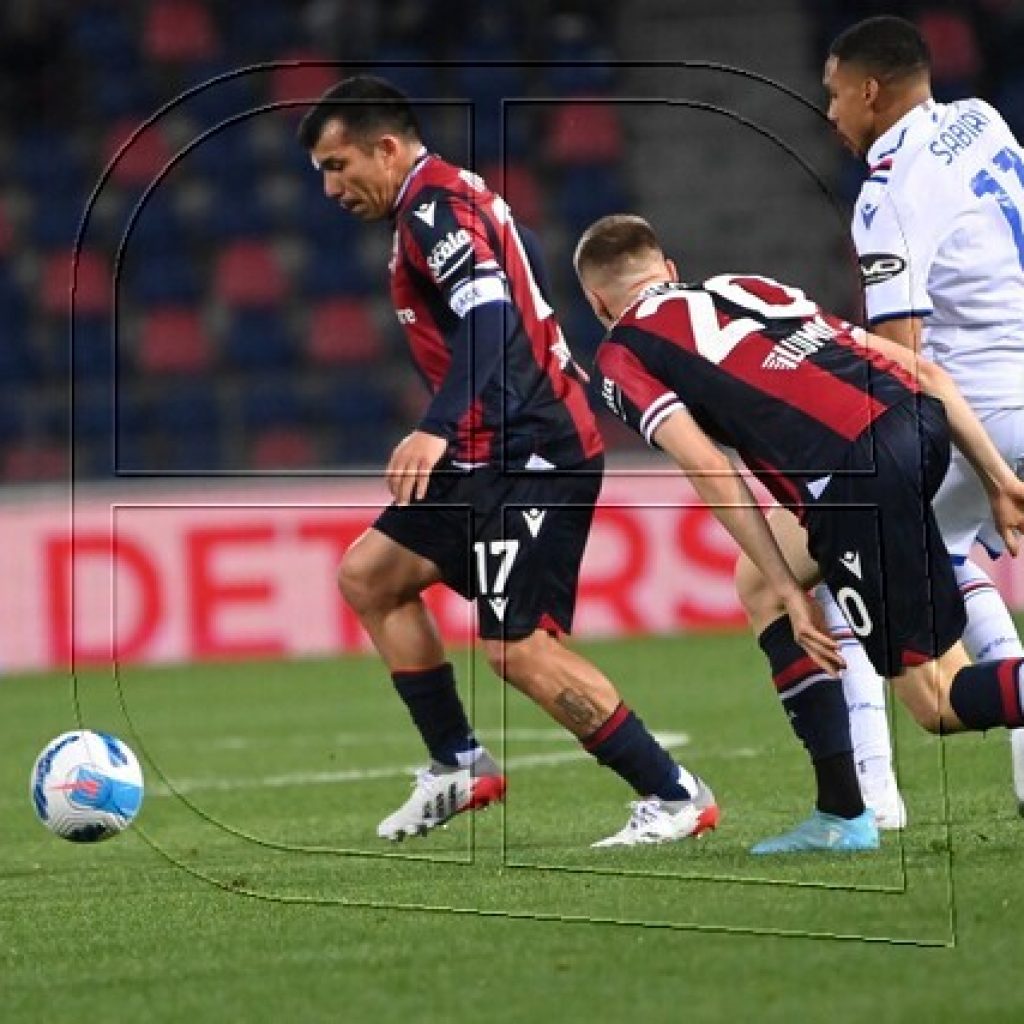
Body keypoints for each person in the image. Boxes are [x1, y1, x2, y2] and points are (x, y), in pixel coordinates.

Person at [297, 76, 718, 848]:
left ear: (386, 147)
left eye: (337, 164)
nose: (330, 187)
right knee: (370, 578)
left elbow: (489, 320)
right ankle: (458, 763)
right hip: (485, 451)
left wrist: (433, 427)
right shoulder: (436, 202)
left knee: (515, 647)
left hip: (531, 451)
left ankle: (675, 793)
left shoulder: (434, 209)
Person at [574, 213, 1024, 853]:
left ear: (598, 303)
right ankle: (842, 809)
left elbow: (710, 469)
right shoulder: (744, 288)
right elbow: (922, 372)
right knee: (754, 581)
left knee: (937, 700)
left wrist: (794, 589)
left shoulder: (621, 355)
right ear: (669, 271)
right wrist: (997, 475)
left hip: (852, 473)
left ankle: (848, 817)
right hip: (920, 423)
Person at [737, 14, 1024, 828]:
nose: (828, 115)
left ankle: (870, 800)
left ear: (869, 92)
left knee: (821, 562)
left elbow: (901, 364)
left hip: (980, 410)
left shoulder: (887, 194)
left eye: (833, 96)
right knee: (944, 550)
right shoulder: (981, 119)